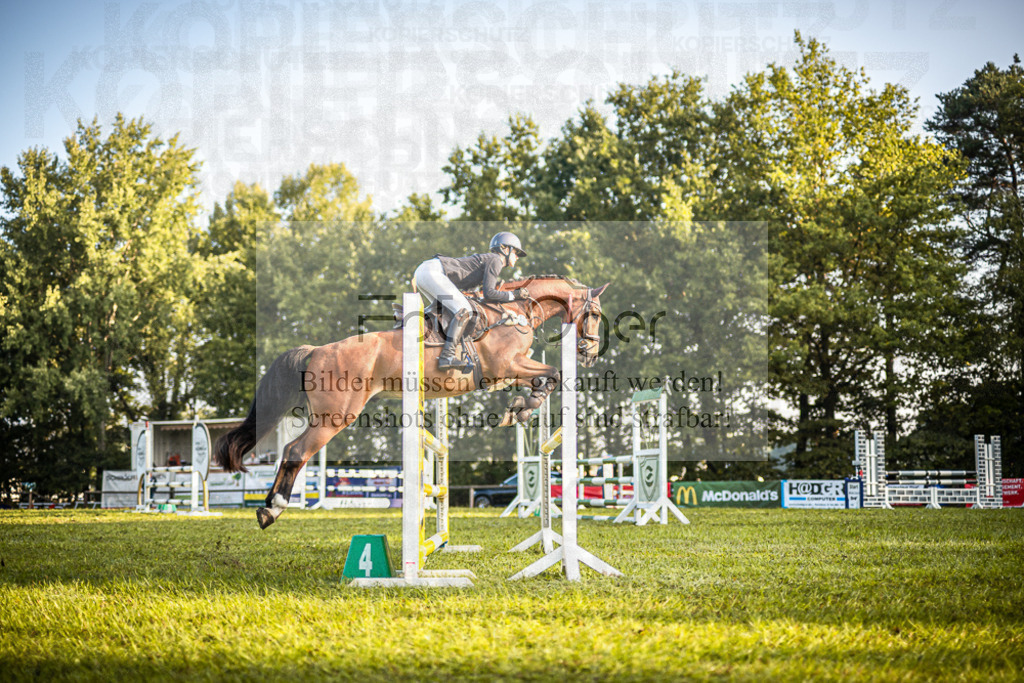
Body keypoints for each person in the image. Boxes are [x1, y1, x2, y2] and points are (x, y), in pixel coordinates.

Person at [412, 232, 530, 370]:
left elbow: (480, 296)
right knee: (465, 311)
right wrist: (514, 295)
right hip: (434, 272)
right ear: (505, 249)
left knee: (444, 312)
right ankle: (447, 356)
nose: (517, 257)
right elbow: (489, 294)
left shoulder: (489, 261)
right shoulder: (495, 260)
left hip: (425, 271)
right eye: (515, 252)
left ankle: (416, 332)